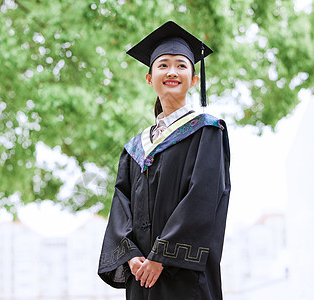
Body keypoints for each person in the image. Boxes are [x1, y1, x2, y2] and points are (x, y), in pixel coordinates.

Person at [97, 21, 231, 300]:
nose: (172, 72)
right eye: (163, 65)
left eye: (182, 65)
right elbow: (121, 205)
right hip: (142, 276)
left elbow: (203, 198)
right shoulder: (135, 148)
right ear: (149, 78)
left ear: (194, 80)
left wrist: (160, 257)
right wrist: (132, 256)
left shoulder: (206, 131)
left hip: (183, 277)